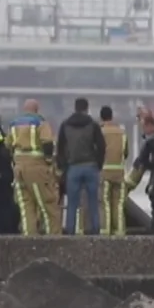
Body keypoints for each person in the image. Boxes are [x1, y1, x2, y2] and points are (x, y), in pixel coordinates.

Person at [7, 99, 58, 235]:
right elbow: (47, 143)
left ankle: (29, 237)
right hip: (36, 167)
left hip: (18, 169)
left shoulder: (13, 124)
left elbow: (7, 146)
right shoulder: (40, 122)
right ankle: (53, 238)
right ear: (37, 109)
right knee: (47, 204)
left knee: (26, 207)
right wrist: (48, 161)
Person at [56, 97, 105, 235]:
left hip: (73, 167)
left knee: (72, 203)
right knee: (93, 202)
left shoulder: (65, 125)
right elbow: (101, 146)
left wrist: (63, 167)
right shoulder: (93, 125)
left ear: (75, 107)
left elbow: (60, 148)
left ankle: (70, 231)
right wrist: (98, 164)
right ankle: (95, 230)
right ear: (87, 108)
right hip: (91, 166)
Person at [98, 105, 129, 235]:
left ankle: (106, 231)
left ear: (101, 117)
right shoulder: (122, 132)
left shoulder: (100, 132)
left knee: (104, 203)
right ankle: (120, 231)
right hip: (119, 173)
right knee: (119, 204)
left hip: (104, 172)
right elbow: (126, 153)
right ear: (112, 116)